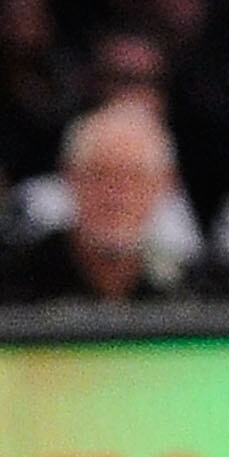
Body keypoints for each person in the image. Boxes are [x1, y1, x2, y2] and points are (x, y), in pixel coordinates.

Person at [0, 98, 188, 303]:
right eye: (99, 175)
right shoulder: (17, 283)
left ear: (166, 185)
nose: (116, 196)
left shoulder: (180, 288)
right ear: (69, 178)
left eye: (134, 177)